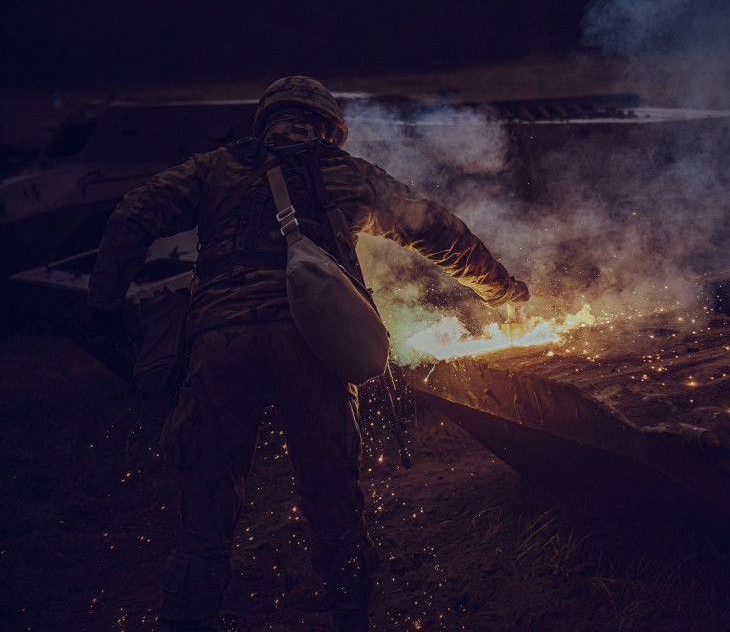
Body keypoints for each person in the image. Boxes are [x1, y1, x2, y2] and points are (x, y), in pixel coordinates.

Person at [87, 76, 529, 631]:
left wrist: (104, 307)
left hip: (219, 343)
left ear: (265, 121)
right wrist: (502, 288)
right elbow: (437, 228)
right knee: (334, 508)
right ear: (330, 129)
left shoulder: (214, 168)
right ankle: (349, 616)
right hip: (311, 344)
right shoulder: (347, 173)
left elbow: (133, 215)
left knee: (204, 524)